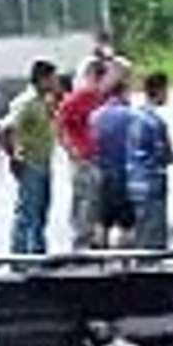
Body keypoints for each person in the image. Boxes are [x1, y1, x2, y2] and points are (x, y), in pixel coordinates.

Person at [8, 60, 60, 254]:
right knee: (27, 212)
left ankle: (38, 252)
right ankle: (19, 256)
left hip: (45, 162)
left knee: (41, 211)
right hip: (31, 163)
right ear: (43, 79)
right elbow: (7, 129)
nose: (57, 82)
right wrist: (14, 156)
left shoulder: (44, 100)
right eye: (53, 79)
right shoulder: (26, 102)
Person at [57, 59, 109, 250]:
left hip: (92, 156)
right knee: (87, 199)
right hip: (83, 157)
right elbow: (60, 124)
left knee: (87, 199)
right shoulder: (80, 97)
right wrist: (71, 150)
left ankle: (87, 240)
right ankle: (81, 243)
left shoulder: (99, 97)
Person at [126, 71, 173, 249]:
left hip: (133, 180)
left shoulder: (133, 116)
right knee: (153, 237)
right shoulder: (156, 122)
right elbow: (166, 155)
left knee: (139, 231)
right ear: (159, 91)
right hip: (152, 183)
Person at [91, 71, 137, 248]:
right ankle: (125, 260)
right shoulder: (130, 115)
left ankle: (101, 259)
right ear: (123, 92)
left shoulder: (95, 116)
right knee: (127, 222)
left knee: (103, 219)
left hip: (103, 173)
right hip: (124, 173)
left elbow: (95, 143)